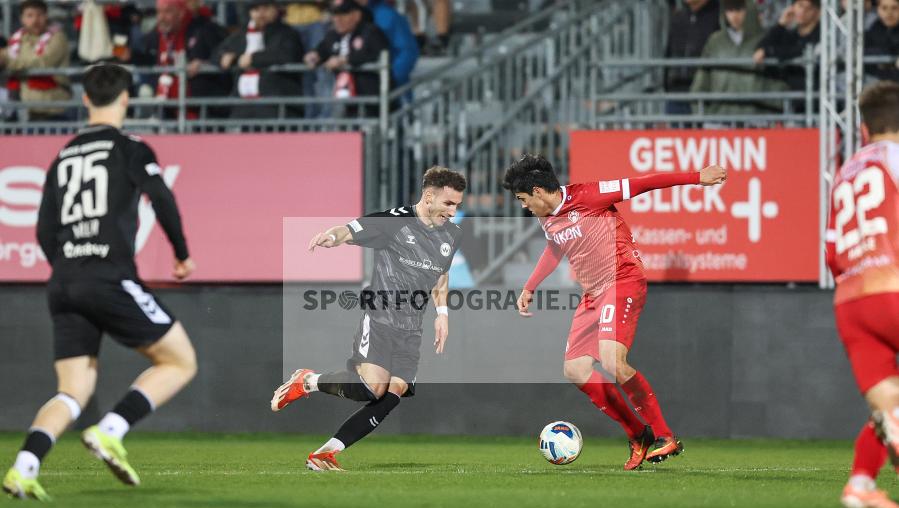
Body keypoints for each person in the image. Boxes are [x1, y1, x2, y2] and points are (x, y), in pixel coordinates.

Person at [2, 63, 198, 501]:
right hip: (108, 275)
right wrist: (182, 254)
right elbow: (161, 196)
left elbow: (42, 230)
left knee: (72, 391)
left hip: (63, 282)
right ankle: (111, 430)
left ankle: (24, 468)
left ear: (86, 99)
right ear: (127, 98)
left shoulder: (63, 155)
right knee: (180, 361)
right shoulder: (129, 147)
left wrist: (69, 266)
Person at [505, 155, 726, 470]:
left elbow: (643, 183)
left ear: (538, 191)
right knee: (576, 370)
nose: (524, 206)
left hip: (621, 279)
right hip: (592, 294)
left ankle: (665, 436)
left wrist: (697, 177)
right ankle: (638, 434)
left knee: (613, 362)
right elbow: (555, 247)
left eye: (523, 199)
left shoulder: (589, 195)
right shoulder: (547, 218)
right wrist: (530, 286)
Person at [271, 167, 466, 471]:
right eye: (449, 204)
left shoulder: (451, 235)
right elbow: (349, 230)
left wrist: (442, 314)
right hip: (380, 318)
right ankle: (308, 381)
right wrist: (330, 237)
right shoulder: (393, 222)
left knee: (393, 393)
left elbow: (441, 275)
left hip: (412, 329)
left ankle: (325, 453)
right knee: (372, 388)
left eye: (457, 205)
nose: (453, 212)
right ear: (429, 197)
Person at [826, 81, 899, 508]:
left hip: (851, 302)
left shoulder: (847, 170)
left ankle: (860, 483)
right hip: (893, 288)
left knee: (888, 403)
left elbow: (831, 250)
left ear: (864, 128)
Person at [133, 0, 230, 119]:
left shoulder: (205, 28)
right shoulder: (159, 32)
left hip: (203, 109)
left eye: (167, 12)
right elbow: (142, 52)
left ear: (181, 13)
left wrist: (204, 63)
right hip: (167, 106)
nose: (161, 17)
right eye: (159, 12)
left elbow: (225, 53)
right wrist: (129, 55)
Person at [690, 0, 788, 116]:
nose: (734, 15)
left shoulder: (766, 41)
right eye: (729, 10)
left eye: (739, 10)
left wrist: (772, 112)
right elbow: (702, 80)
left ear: (750, 10)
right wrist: (703, 114)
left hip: (757, 120)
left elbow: (778, 83)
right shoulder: (715, 41)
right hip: (719, 121)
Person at [216, 0, 305, 119]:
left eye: (266, 7)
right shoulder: (241, 35)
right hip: (242, 104)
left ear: (275, 9)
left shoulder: (287, 33)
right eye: (256, 9)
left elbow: (287, 55)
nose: (261, 13)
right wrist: (226, 57)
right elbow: (217, 53)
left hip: (277, 105)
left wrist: (253, 58)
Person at [304, 0, 389, 118]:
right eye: (335, 15)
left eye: (343, 15)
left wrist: (346, 60)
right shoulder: (333, 35)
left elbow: (378, 54)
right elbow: (322, 49)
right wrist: (313, 55)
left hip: (369, 100)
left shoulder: (370, 32)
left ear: (356, 15)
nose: (337, 20)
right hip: (344, 101)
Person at [0, 0, 71, 121]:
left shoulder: (58, 38)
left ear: (46, 16)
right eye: (30, 15)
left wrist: (7, 62)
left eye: (39, 15)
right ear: (22, 19)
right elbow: (6, 55)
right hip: (22, 110)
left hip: (51, 110)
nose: (35, 20)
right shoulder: (17, 38)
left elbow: (40, 62)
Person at [664, 0, 721, 116]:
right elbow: (668, 52)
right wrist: (667, 84)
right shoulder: (678, 18)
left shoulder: (719, 18)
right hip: (676, 93)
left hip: (706, 96)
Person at [753, 0, 820, 92]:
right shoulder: (791, 34)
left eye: (809, 8)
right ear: (792, 7)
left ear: (817, 12)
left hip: (811, 95)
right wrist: (781, 24)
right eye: (800, 6)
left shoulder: (821, 35)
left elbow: (799, 51)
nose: (802, 11)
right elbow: (761, 47)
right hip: (786, 95)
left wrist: (769, 51)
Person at [864, 0, 899, 84]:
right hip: (877, 82)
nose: (889, 13)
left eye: (894, 8)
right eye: (884, 8)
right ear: (878, 9)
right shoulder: (872, 31)